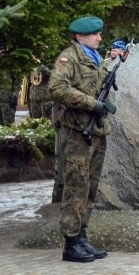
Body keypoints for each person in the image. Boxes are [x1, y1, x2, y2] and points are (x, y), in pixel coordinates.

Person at [48, 16, 112, 263]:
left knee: (90, 188)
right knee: (76, 186)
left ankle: (82, 236)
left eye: (99, 33)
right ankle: (71, 243)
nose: (99, 37)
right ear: (80, 36)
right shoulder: (69, 58)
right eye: (94, 34)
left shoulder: (96, 58)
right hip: (76, 132)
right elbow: (57, 88)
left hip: (96, 131)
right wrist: (91, 103)